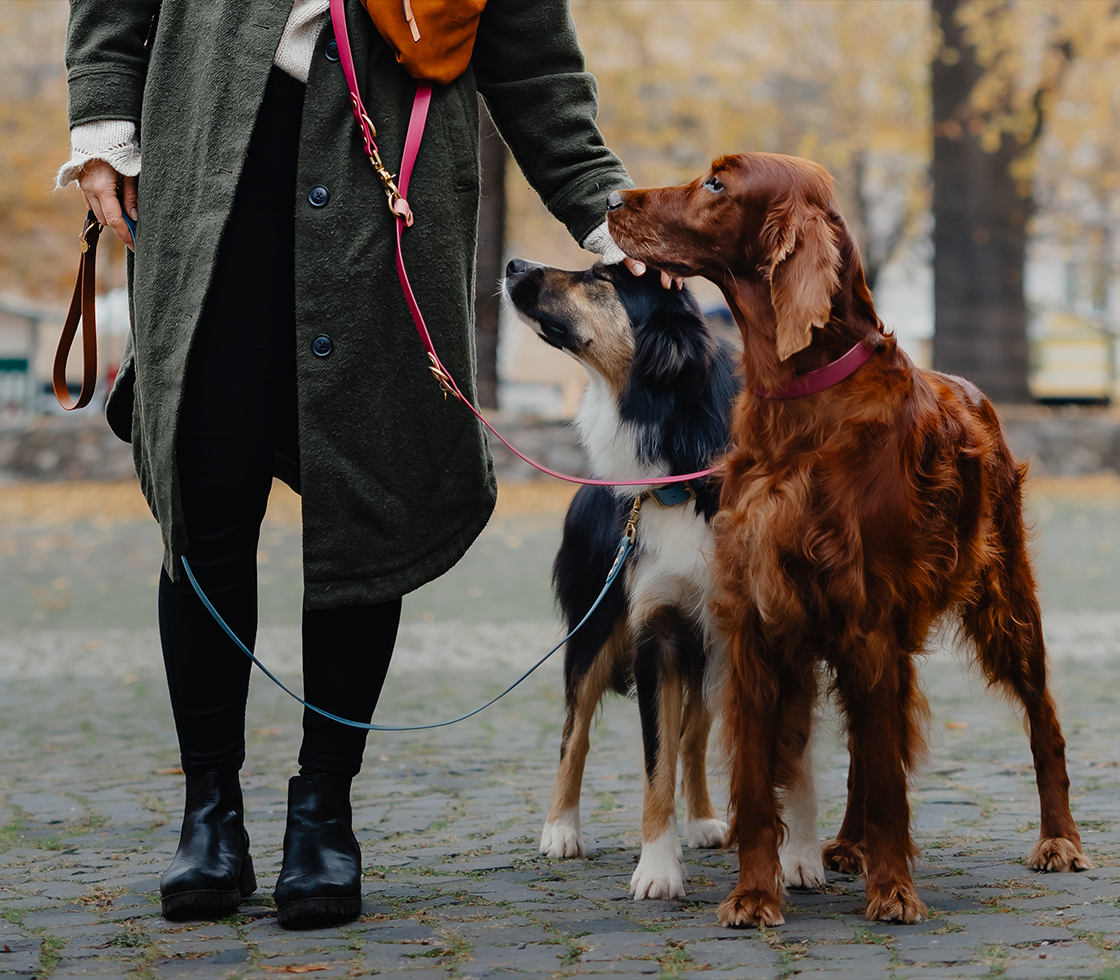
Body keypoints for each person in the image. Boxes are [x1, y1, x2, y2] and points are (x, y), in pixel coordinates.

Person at [58, 0, 667, 930]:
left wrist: (607, 213)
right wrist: (103, 124)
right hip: (207, 161)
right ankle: (209, 813)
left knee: (365, 497)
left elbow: (536, 67)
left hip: (386, 194)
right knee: (207, 489)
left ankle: (324, 812)